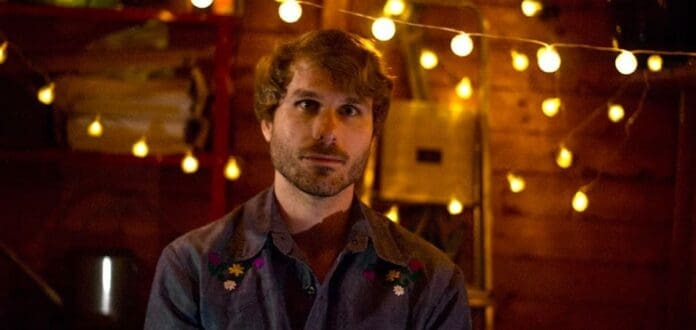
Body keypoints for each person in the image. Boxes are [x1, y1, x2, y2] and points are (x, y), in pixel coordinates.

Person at [145, 29, 472, 329]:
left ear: (374, 132)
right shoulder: (192, 269)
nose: (327, 132)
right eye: (307, 104)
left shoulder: (433, 283)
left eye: (350, 110)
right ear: (267, 122)